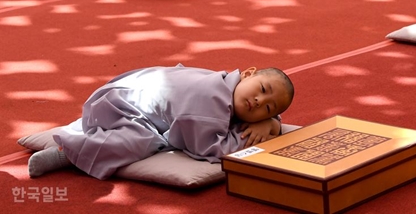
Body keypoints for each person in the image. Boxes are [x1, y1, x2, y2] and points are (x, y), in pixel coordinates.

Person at [27, 64, 295, 180]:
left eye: (268, 107)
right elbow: (210, 148)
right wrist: (269, 127)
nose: (259, 101)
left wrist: (273, 121)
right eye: (261, 89)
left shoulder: (226, 83)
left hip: (130, 88)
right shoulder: (210, 103)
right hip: (120, 106)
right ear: (248, 74)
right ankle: (69, 152)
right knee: (144, 142)